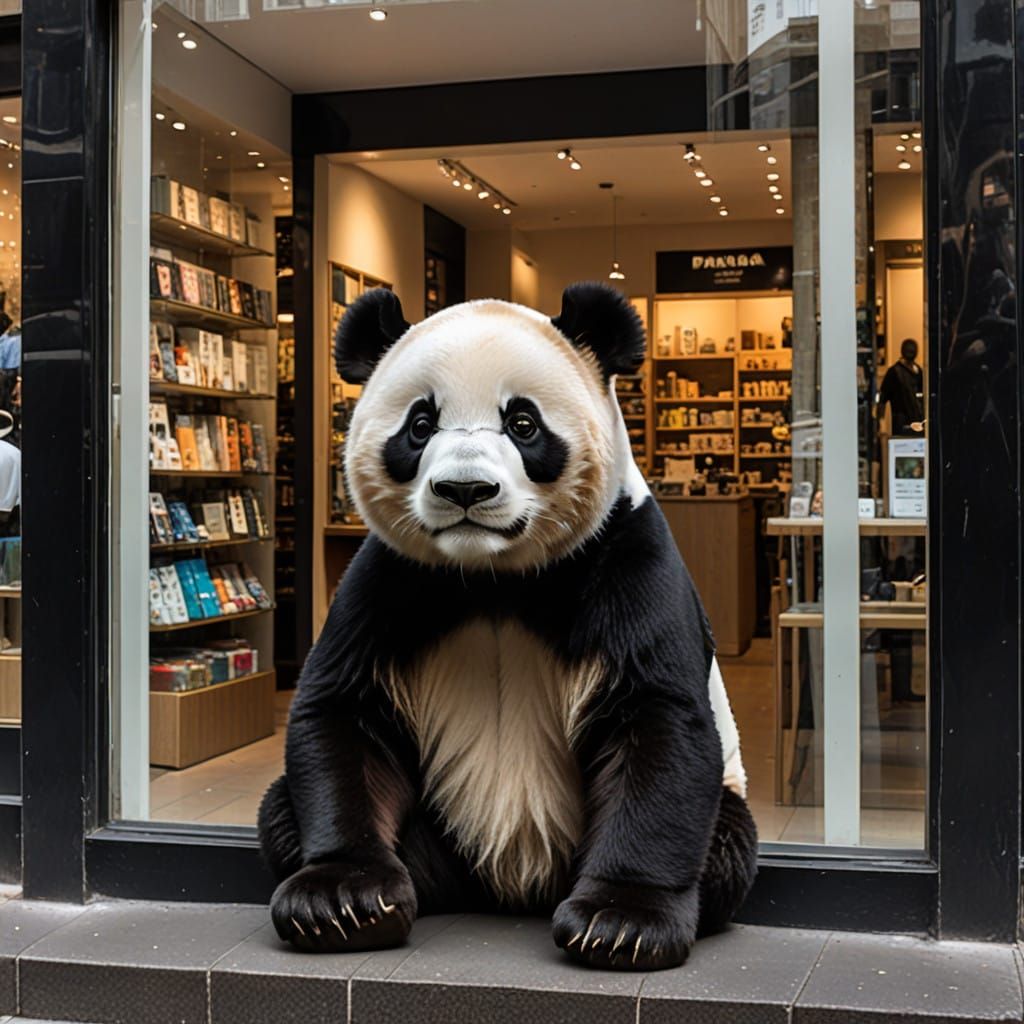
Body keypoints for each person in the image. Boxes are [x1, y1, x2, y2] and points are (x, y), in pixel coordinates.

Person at [877, 338, 924, 435]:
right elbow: (882, 399)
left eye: (913, 350)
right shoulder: (894, 372)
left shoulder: (918, 371)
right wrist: (880, 424)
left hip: (918, 421)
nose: (911, 352)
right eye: (908, 349)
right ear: (902, 351)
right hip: (901, 422)